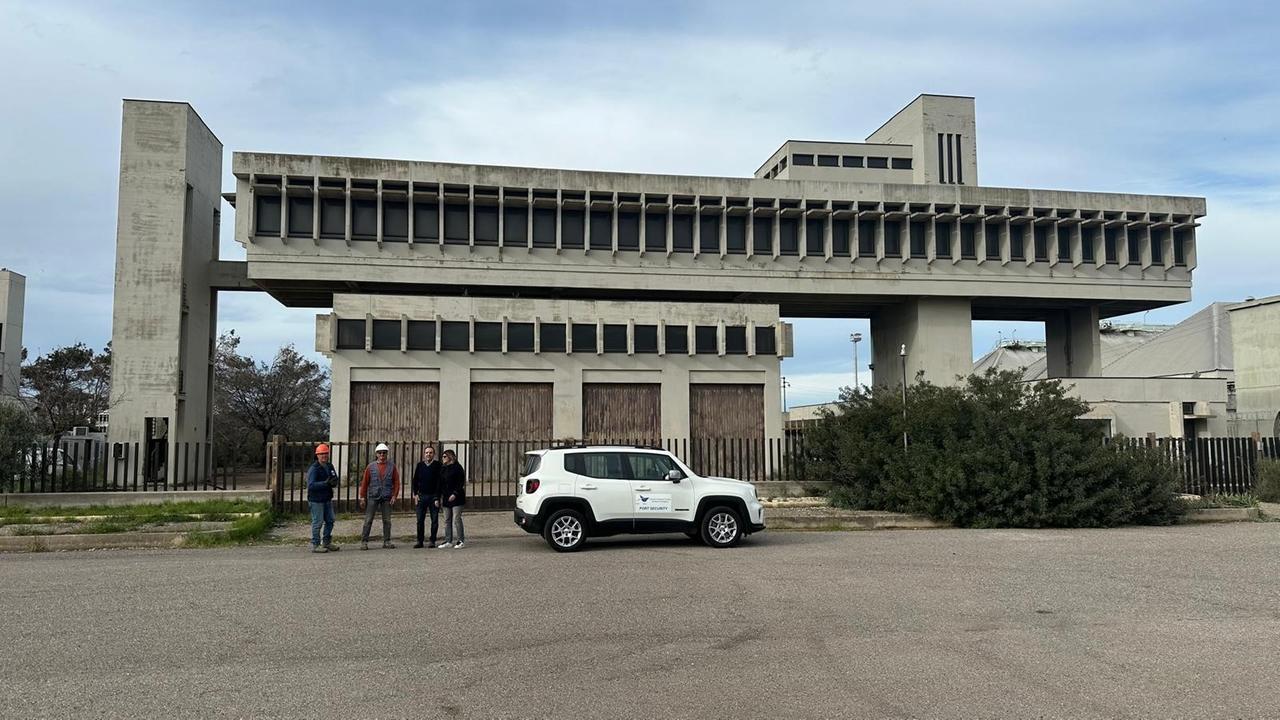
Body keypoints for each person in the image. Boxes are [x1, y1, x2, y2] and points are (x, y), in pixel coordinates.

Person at [359, 442, 400, 550]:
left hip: (386, 497)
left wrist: (394, 495)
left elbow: (396, 482)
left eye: (384, 453)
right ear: (376, 454)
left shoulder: (392, 467)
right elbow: (364, 482)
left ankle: (387, 541)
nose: (382, 455)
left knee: (387, 520)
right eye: (380, 453)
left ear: (387, 454)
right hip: (373, 496)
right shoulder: (370, 467)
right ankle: (364, 541)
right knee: (368, 519)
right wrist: (362, 497)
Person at [306, 443, 341, 553]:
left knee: (330, 520)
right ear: (317, 455)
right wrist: (325, 483)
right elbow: (311, 485)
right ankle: (315, 544)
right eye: (321, 454)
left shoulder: (329, 466)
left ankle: (326, 542)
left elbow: (334, 477)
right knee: (318, 522)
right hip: (316, 500)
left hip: (327, 498)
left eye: (325, 454)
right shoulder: (314, 469)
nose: (324, 456)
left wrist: (334, 481)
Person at [412, 446, 444, 548]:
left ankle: (432, 541)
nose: (428, 454)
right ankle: (419, 541)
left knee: (434, 520)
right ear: (424, 454)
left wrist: (437, 497)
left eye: (430, 453)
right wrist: (415, 494)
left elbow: (440, 482)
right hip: (421, 496)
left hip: (433, 497)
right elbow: (415, 481)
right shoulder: (420, 465)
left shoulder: (438, 465)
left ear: (433, 454)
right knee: (420, 520)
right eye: (426, 453)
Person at [438, 448, 466, 549]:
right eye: (442, 456)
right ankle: (448, 540)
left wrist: (455, 493)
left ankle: (460, 540)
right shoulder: (443, 468)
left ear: (450, 457)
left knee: (456, 519)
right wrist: (438, 496)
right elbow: (440, 483)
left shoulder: (458, 468)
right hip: (446, 497)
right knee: (447, 519)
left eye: (445, 456)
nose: (443, 458)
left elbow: (460, 482)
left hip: (457, 498)